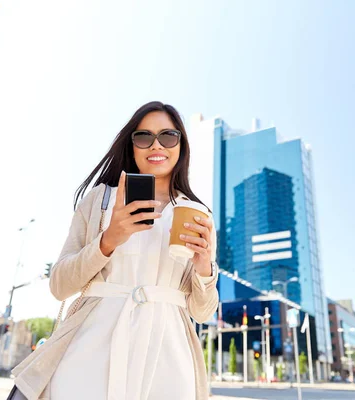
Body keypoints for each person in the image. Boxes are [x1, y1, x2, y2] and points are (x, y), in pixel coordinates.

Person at [12, 101, 219, 400]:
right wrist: (108, 240)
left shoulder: (197, 213)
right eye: (144, 137)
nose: (156, 145)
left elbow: (203, 311)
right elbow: (59, 286)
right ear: (132, 145)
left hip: (168, 355)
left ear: (181, 145)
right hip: (92, 346)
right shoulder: (100, 200)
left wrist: (203, 268)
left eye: (168, 136)